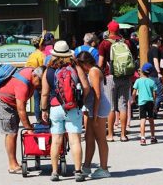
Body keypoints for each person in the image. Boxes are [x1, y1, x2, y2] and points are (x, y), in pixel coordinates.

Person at [41, 40, 90, 182]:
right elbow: (86, 86)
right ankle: (78, 172)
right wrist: (80, 101)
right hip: (73, 107)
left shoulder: (48, 70)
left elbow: (44, 93)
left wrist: (44, 109)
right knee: (75, 141)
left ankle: (55, 172)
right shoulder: (75, 67)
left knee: (56, 140)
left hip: (55, 107)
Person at [0, 65, 44, 174]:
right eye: (40, 81)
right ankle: (12, 164)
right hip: (3, 104)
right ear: (34, 75)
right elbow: (21, 110)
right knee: (11, 133)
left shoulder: (31, 73)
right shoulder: (23, 84)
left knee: (13, 132)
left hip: (11, 104)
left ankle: (14, 162)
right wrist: (28, 128)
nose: (41, 85)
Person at [75, 51, 110, 179]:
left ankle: (104, 168)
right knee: (89, 137)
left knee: (100, 138)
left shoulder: (93, 71)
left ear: (85, 63)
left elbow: (97, 95)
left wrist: (94, 116)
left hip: (98, 108)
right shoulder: (92, 70)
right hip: (93, 108)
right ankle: (86, 166)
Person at [97, 20, 132, 142]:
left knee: (111, 107)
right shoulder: (127, 42)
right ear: (119, 30)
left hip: (110, 76)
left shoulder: (104, 44)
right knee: (122, 105)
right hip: (124, 76)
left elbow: (101, 62)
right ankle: (123, 134)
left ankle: (110, 135)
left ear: (109, 30)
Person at [133, 62, 157, 146]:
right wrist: (154, 101)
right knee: (151, 120)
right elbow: (154, 93)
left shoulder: (138, 81)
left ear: (142, 71)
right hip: (150, 101)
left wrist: (133, 99)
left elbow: (134, 92)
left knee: (142, 120)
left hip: (142, 102)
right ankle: (153, 137)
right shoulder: (152, 82)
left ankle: (143, 138)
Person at [26, 35, 45, 123]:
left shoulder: (31, 55)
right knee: (43, 99)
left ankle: (38, 119)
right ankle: (43, 118)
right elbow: (43, 69)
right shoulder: (41, 55)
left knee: (36, 101)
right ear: (40, 45)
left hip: (32, 80)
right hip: (40, 80)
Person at [148, 36, 163, 116]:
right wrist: (159, 72)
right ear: (158, 41)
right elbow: (155, 60)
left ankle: (153, 111)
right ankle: (154, 111)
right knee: (160, 94)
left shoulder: (150, 49)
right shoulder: (155, 49)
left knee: (153, 94)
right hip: (155, 74)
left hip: (150, 74)